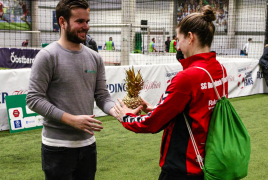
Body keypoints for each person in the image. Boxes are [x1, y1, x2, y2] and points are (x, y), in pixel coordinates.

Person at [114, 5, 228, 180]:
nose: (177, 45)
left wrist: (126, 117)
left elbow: (153, 123)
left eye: (178, 39)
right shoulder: (220, 69)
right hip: (209, 160)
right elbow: (197, 113)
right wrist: (157, 109)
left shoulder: (187, 76)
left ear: (190, 37)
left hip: (183, 166)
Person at [26, 0, 116, 179]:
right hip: (56, 148)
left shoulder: (95, 58)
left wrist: (119, 111)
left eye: (87, 21)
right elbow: (34, 99)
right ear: (62, 22)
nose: (86, 27)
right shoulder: (47, 56)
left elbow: (102, 96)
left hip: (88, 146)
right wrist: (71, 119)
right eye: (79, 21)